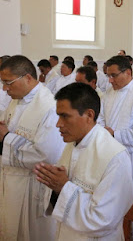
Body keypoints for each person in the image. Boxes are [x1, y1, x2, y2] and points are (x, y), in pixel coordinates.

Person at [34, 83, 133, 240]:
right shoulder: (72, 144)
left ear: (89, 115)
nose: (58, 124)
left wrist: (63, 187)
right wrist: (55, 185)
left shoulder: (115, 157)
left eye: (65, 116)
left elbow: (103, 220)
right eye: (58, 116)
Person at [0, 55, 65, 240]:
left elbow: (46, 155)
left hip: (32, 187)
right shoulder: (17, 99)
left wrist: (6, 138)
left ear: (27, 78)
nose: (5, 89)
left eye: (8, 83)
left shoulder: (49, 108)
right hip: (10, 180)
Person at [97, 56, 133, 218]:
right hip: (110, 153)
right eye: (108, 75)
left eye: (113, 75)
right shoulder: (109, 92)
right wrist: (105, 133)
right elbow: (100, 118)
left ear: (128, 72)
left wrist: (114, 135)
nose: (110, 80)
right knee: (112, 201)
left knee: (132, 200)